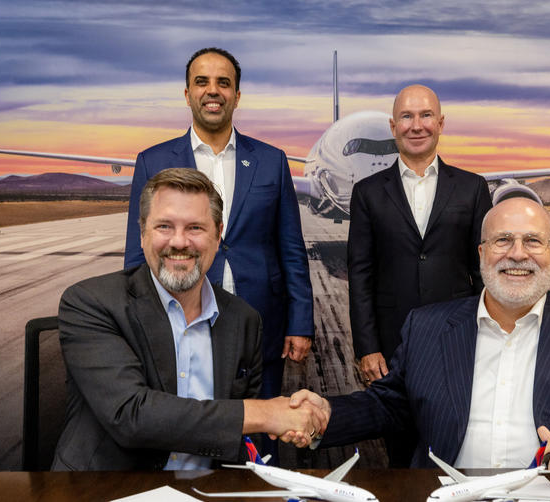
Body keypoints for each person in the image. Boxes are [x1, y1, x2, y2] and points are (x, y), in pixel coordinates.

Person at [291, 197, 550, 490]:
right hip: (447, 495)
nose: (518, 254)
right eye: (503, 241)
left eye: (533, 240)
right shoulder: (428, 327)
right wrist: (323, 414)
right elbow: (390, 405)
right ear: (481, 254)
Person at [53, 169, 321, 471]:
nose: (179, 242)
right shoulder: (91, 303)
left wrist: (298, 419)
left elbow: (245, 443)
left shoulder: (244, 321)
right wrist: (266, 414)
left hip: (212, 490)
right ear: (142, 234)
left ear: (218, 236)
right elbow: (131, 415)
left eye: (195, 228)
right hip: (109, 489)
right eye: (164, 226)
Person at [123, 48, 314, 404]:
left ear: (237, 96)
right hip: (178, 319)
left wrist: (300, 322)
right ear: (187, 94)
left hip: (260, 319)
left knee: (260, 428)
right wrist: (136, 323)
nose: (213, 91)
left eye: (223, 83)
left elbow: (291, 248)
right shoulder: (153, 161)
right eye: (202, 82)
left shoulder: (271, 161)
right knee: (190, 420)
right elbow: (138, 252)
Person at [347, 84, 491, 465]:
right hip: (393, 347)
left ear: (440, 123)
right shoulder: (367, 193)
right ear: (393, 127)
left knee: (459, 448)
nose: (417, 125)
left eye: (425, 115)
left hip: (460, 341)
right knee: (400, 453)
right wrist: (367, 347)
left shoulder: (473, 189)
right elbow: (360, 274)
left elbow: (485, 272)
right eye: (407, 117)